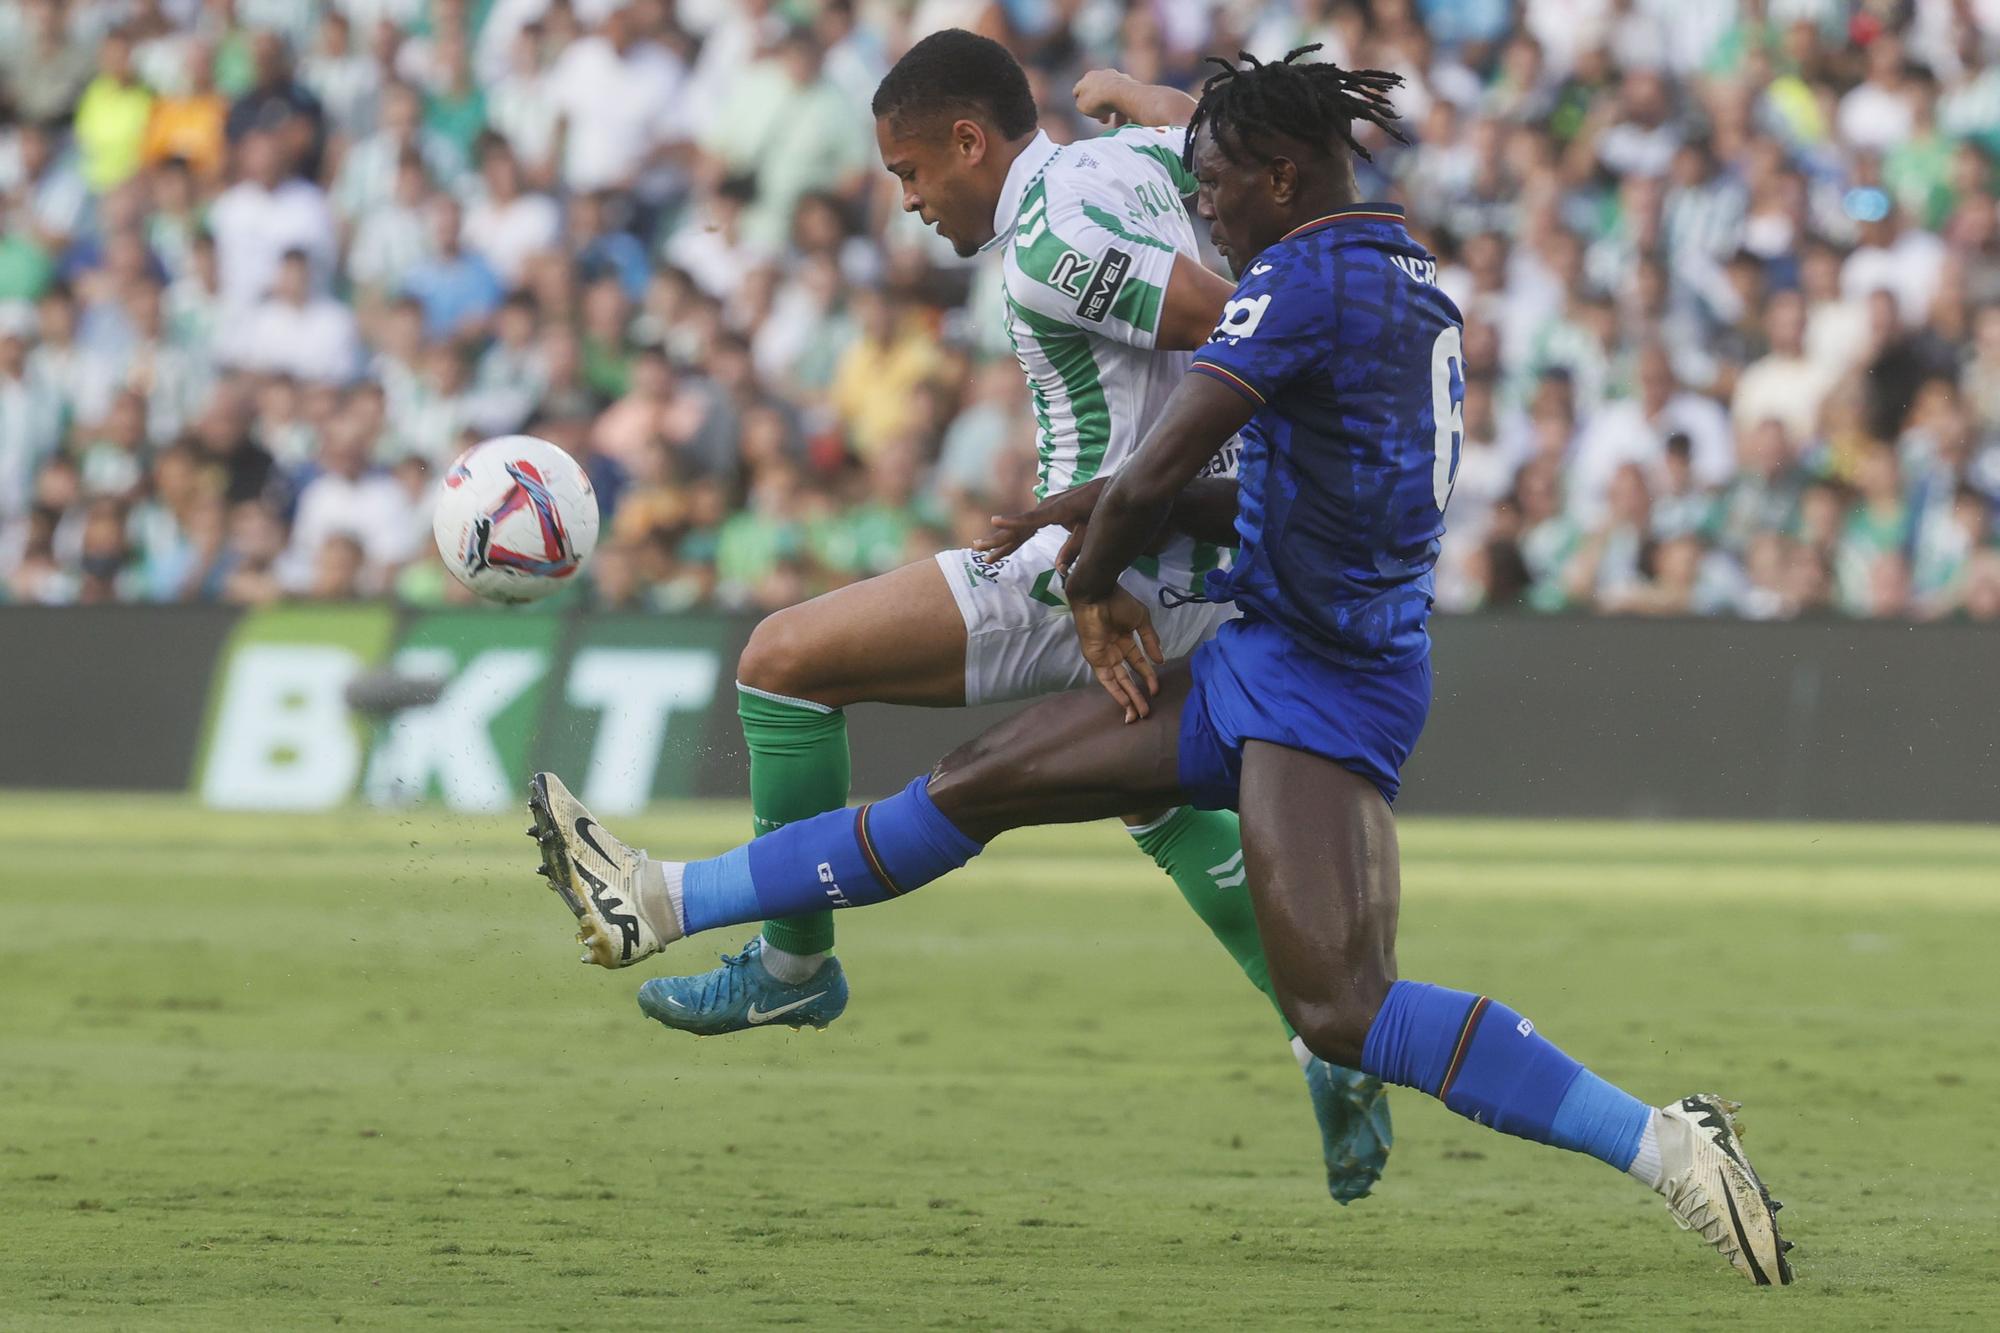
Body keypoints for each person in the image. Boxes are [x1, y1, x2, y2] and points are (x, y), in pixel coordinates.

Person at [526, 46, 1795, 1287]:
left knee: (1344, 1008)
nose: (1205, 208)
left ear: (1283, 178)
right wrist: (1141, 111)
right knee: (979, 784)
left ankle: (1664, 1142)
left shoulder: (1290, 290)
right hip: (1264, 643)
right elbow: (1238, 448)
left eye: (1221, 187)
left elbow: (1161, 471)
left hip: (1320, 679)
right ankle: (663, 898)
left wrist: (1088, 570)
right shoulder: (1389, 266)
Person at [570, 29, 1395, 1204]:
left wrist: (1103, 558)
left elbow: (1231, 328)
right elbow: (1205, 128)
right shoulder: (1140, 160)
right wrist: (1134, 92)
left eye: (910, 172)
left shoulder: (1054, 241)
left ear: (969, 141)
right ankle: (1326, 1035)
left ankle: (792, 962)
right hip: (1211, 553)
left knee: (783, 660)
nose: (905, 203)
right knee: (1149, 796)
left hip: (1100, 561)